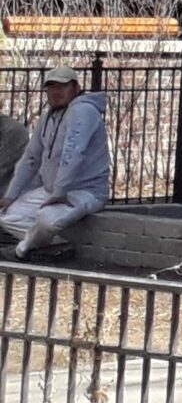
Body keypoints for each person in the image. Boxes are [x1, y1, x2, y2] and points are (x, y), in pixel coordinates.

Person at [2, 67, 111, 260]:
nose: (56, 92)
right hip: (51, 190)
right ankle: (55, 245)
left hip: (85, 191)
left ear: (76, 87)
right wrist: (11, 196)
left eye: (62, 86)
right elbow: (31, 158)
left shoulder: (83, 111)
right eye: (51, 87)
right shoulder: (48, 117)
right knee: (6, 215)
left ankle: (22, 250)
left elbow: (74, 154)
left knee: (47, 222)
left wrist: (60, 192)